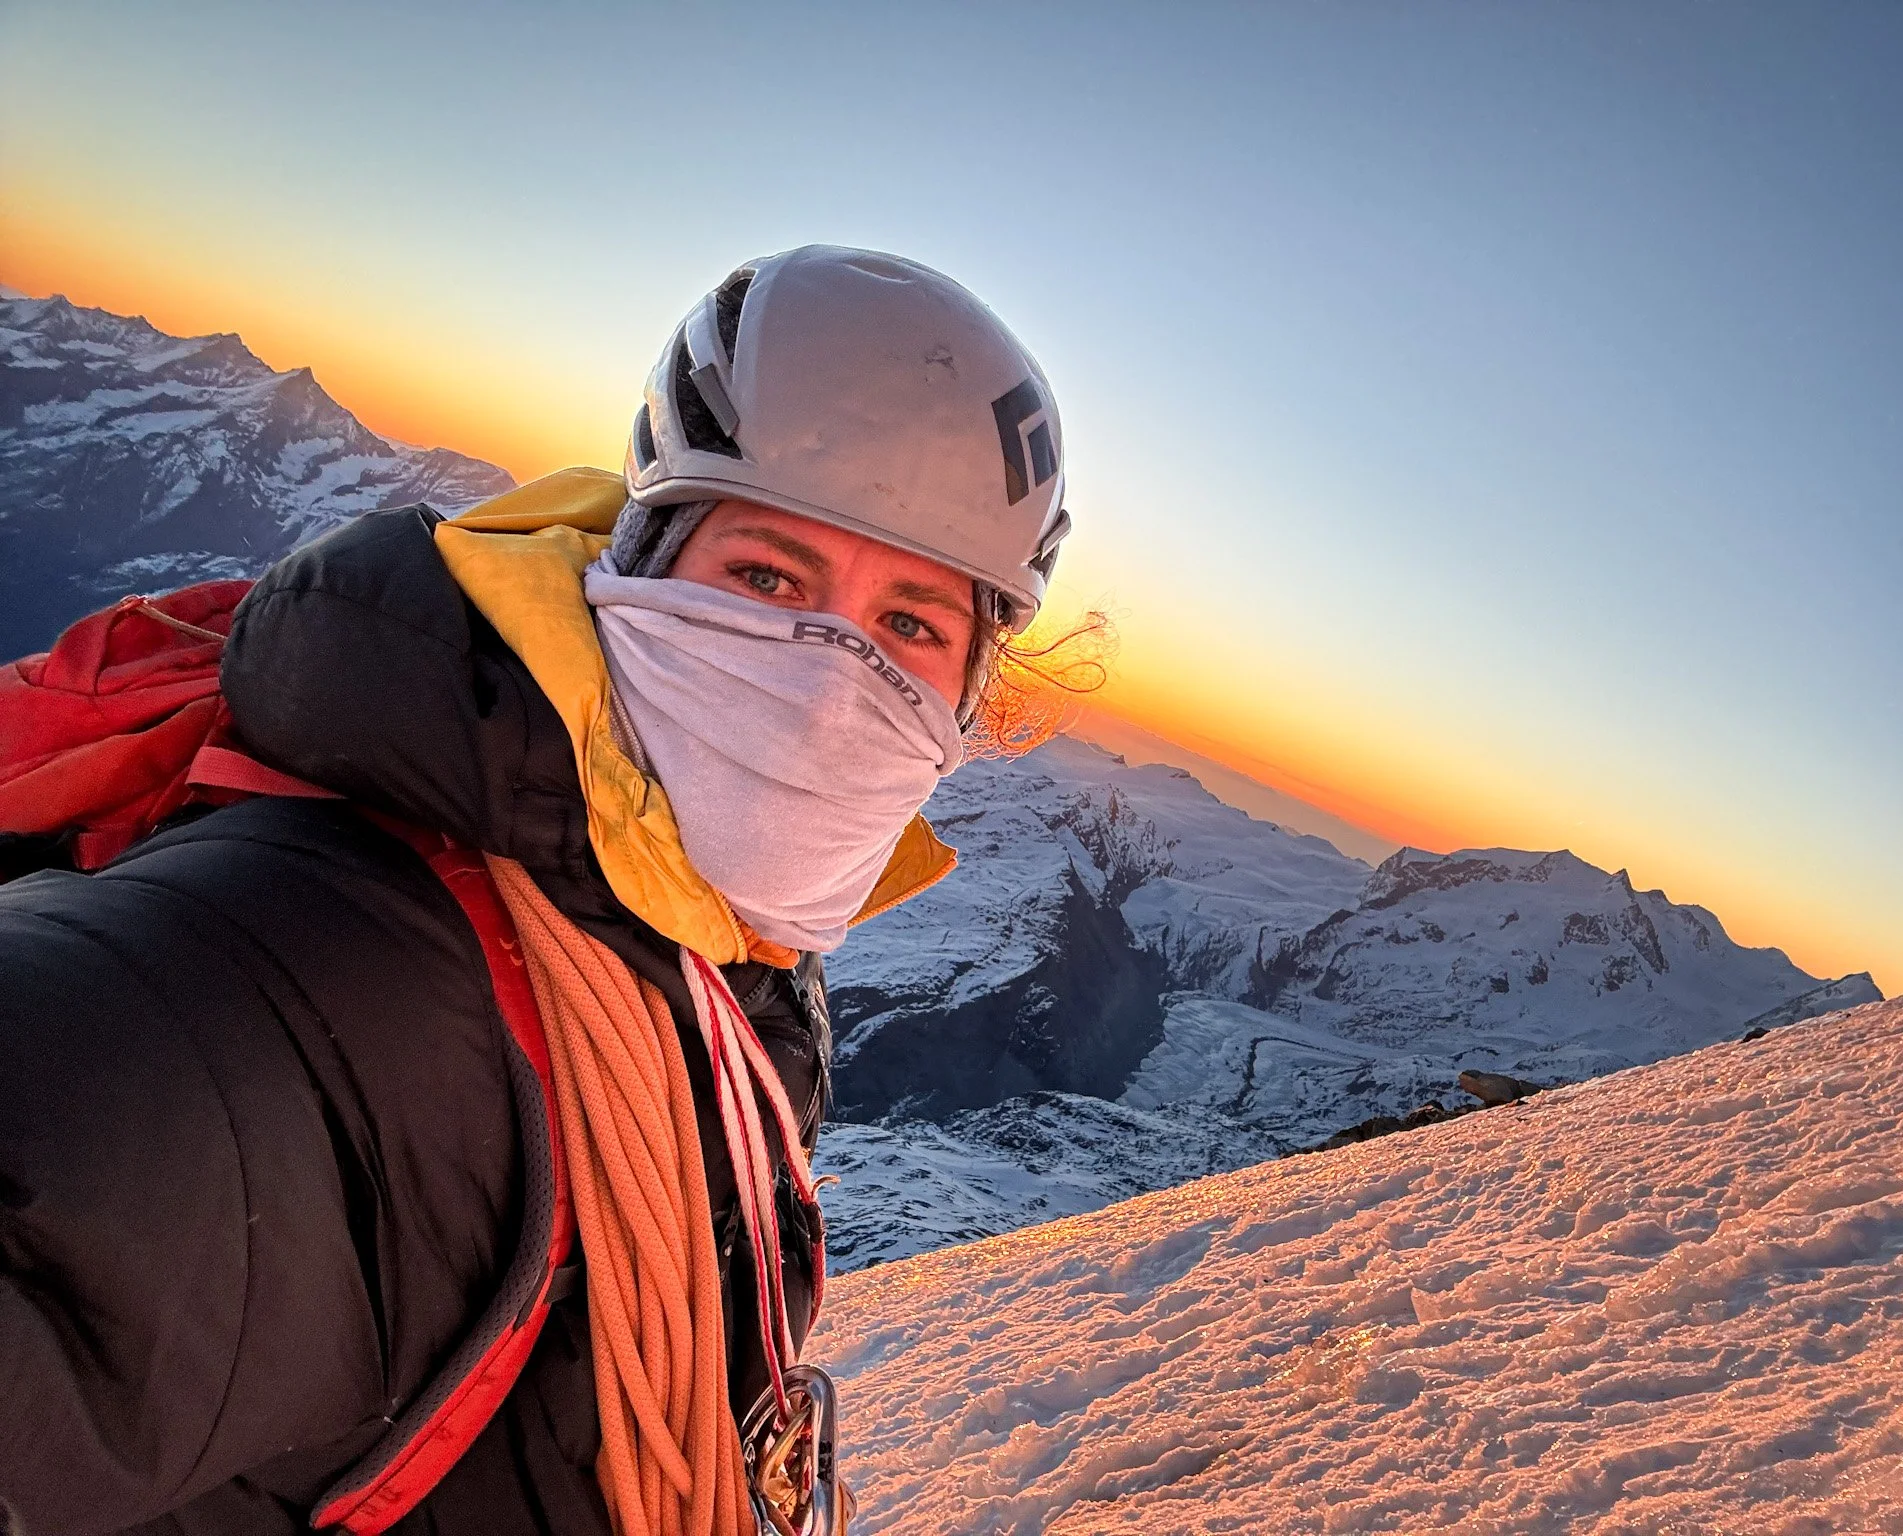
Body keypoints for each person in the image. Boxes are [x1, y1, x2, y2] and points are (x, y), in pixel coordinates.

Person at [0, 246, 1091, 1536]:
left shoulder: (688, 939)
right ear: (634, 570)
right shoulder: (300, 969)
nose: (824, 674)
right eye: (765, 577)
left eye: (910, 625)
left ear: (966, 692)